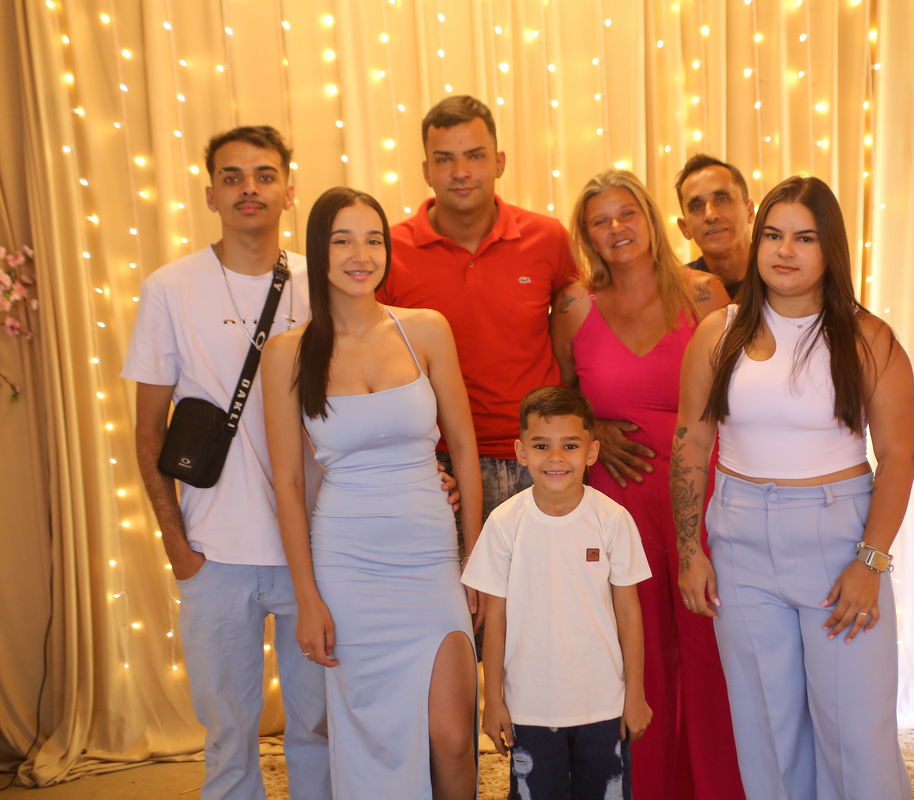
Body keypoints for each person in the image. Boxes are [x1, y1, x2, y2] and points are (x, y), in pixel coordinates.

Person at [672, 175, 914, 800]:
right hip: (740, 541)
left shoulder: (867, 337)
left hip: (838, 541)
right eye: (773, 235)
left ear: (830, 248)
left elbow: (898, 456)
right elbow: (691, 444)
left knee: (855, 735)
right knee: (766, 732)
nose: (785, 251)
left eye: (805, 238)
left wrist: (870, 561)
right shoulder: (718, 332)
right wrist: (689, 550)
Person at [123, 127, 332, 800]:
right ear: (211, 193)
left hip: (315, 551)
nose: (250, 188)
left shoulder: (324, 283)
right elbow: (147, 432)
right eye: (233, 176)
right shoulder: (170, 289)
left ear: (289, 192)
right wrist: (176, 545)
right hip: (213, 555)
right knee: (227, 739)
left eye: (265, 175)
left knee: (320, 728)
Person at [261, 187, 482, 799]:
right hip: (348, 566)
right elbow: (287, 482)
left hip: (431, 559)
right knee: (373, 740)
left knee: (453, 739)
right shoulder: (287, 354)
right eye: (343, 240)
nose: (361, 255)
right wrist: (307, 598)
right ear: (318, 251)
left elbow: (464, 447)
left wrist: (475, 559)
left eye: (374, 240)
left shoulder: (426, 330)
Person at [552, 170, 744, 800]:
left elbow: (740, 395)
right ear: (587, 235)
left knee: (712, 651)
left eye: (626, 213)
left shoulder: (704, 294)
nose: (616, 228)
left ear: (650, 218)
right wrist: (595, 425)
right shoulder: (575, 307)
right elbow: (561, 401)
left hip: (701, 496)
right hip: (617, 501)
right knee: (637, 657)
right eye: (600, 220)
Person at [377, 95, 578, 537]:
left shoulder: (548, 239)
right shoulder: (388, 252)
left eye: (475, 156)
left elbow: (583, 339)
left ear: (499, 162)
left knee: (545, 584)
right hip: (436, 468)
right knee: (456, 585)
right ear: (426, 170)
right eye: (444, 159)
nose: (461, 172)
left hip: (539, 458)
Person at [462, 386, 652, 800]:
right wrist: (493, 701)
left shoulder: (613, 520)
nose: (555, 457)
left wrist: (635, 695)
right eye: (541, 445)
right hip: (529, 707)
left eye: (569, 445)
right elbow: (496, 618)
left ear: (592, 451)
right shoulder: (504, 523)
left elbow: (629, 613)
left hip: (604, 705)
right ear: (521, 451)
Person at [675, 154, 756, 299]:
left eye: (722, 199)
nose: (711, 215)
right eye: (697, 206)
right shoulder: (677, 291)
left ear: (749, 211)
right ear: (684, 227)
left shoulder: (783, 276)